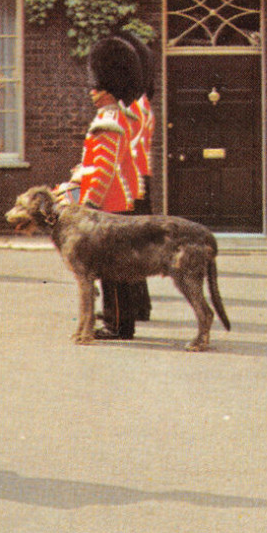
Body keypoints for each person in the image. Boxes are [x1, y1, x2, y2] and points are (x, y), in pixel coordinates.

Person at [71, 36, 142, 340]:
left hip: (109, 203)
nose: (91, 92)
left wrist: (89, 203)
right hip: (116, 201)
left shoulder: (109, 120)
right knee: (117, 270)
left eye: (96, 86)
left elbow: (104, 168)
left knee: (112, 270)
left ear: (107, 89)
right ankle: (119, 321)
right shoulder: (115, 117)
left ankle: (117, 324)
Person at [115, 30, 156, 323]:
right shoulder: (141, 105)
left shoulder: (133, 109)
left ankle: (135, 308)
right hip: (139, 179)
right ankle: (141, 306)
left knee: (128, 250)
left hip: (132, 183)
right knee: (136, 249)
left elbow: (123, 148)